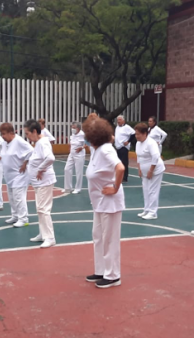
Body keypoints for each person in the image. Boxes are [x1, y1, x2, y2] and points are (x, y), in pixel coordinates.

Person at [83, 117, 126, 289]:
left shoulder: (106, 150)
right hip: (99, 203)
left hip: (110, 202)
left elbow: (120, 167)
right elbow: (112, 138)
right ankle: (101, 270)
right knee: (98, 237)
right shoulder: (98, 149)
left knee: (109, 239)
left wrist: (115, 187)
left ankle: (113, 275)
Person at [23, 119, 57, 248]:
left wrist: (40, 169)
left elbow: (50, 158)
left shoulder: (43, 143)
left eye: (27, 133)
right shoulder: (38, 143)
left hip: (45, 181)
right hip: (39, 183)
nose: (27, 136)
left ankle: (50, 237)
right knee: (40, 209)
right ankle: (43, 234)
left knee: (44, 209)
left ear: (35, 131)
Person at [0, 123, 33, 228]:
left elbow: (31, 151)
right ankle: (15, 215)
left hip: (19, 175)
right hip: (9, 175)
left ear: (11, 133)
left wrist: (25, 163)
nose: (2, 136)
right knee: (11, 197)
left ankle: (23, 219)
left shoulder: (19, 141)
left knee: (19, 197)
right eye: (1, 134)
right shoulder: (5, 143)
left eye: (4, 134)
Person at [134, 123, 165, 220]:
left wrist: (151, 170)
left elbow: (155, 157)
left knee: (153, 191)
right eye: (135, 134)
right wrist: (139, 169)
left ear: (144, 134)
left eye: (138, 134)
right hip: (144, 171)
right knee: (146, 190)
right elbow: (138, 156)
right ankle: (146, 209)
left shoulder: (151, 143)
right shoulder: (138, 143)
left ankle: (153, 212)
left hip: (155, 170)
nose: (136, 136)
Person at [64, 121, 86, 194]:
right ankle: (68, 187)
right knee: (67, 169)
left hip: (79, 154)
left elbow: (87, 143)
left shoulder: (82, 134)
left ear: (78, 128)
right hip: (72, 153)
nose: (72, 129)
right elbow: (72, 141)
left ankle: (78, 188)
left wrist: (81, 147)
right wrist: (69, 145)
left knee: (78, 171)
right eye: (72, 127)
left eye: (74, 127)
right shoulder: (73, 134)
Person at [114, 116, 135, 182]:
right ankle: (119, 176)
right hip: (117, 147)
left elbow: (133, 134)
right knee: (118, 162)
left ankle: (124, 177)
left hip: (123, 147)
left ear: (123, 120)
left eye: (120, 120)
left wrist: (128, 141)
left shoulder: (127, 127)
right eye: (118, 120)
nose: (118, 121)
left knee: (124, 162)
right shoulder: (117, 127)